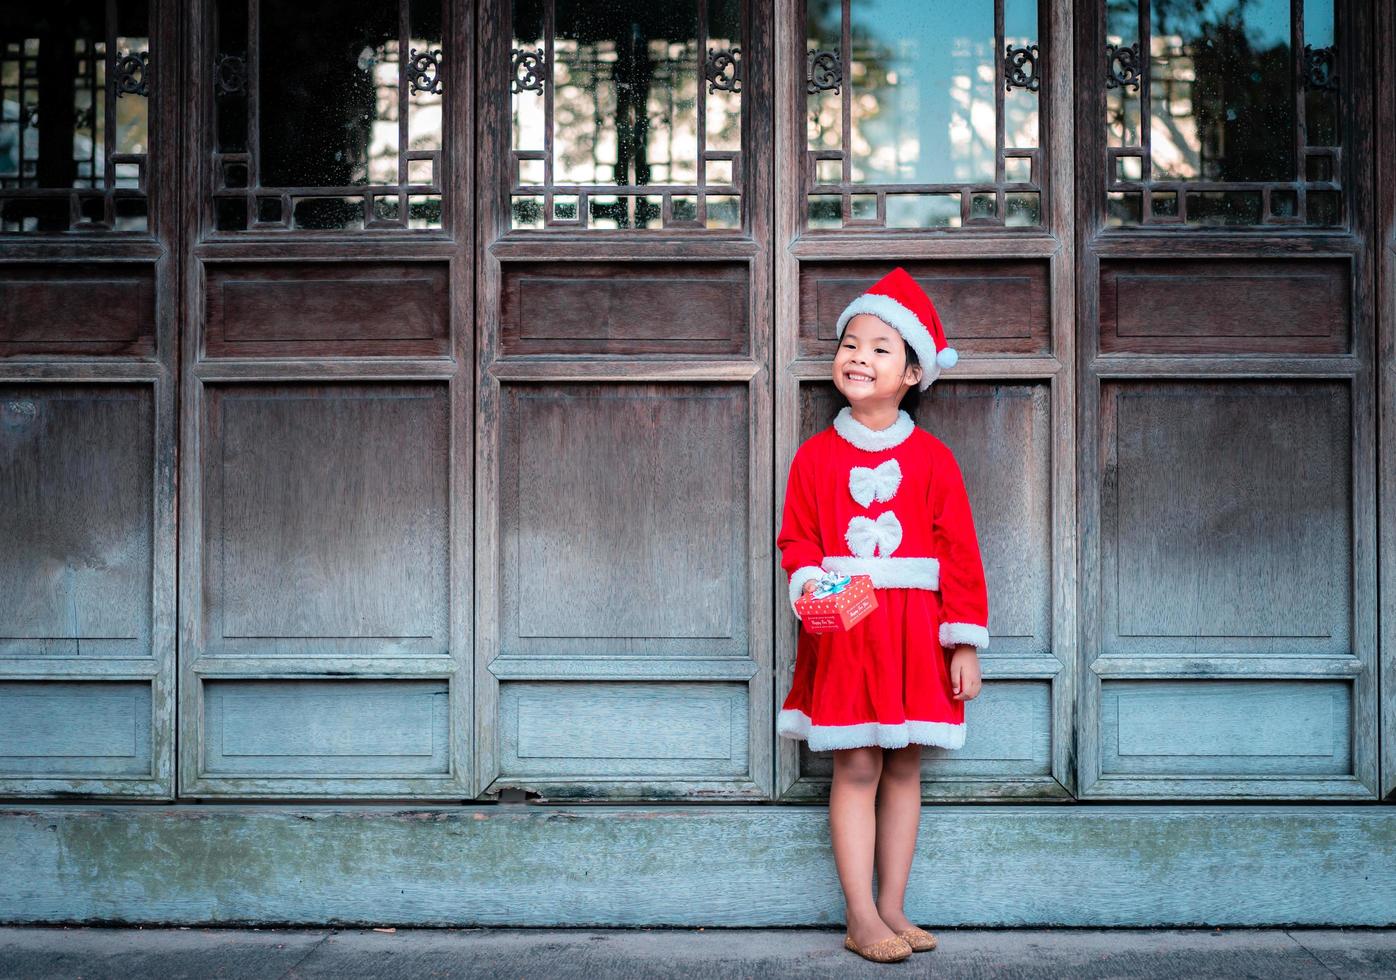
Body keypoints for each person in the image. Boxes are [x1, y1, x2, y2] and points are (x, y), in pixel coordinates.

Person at [776, 266, 989, 964]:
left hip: (914, 630)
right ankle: (859, 912)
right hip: (850, 621)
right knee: (857, 763)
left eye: (880, 348)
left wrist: (963, 643)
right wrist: (818, 591)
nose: (859, 356)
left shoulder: (934, 460)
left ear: (912, 372)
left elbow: (959, 552)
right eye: (850, 343)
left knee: (904, 765)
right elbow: (797, 541)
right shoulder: (814, 457)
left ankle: (893, 902)